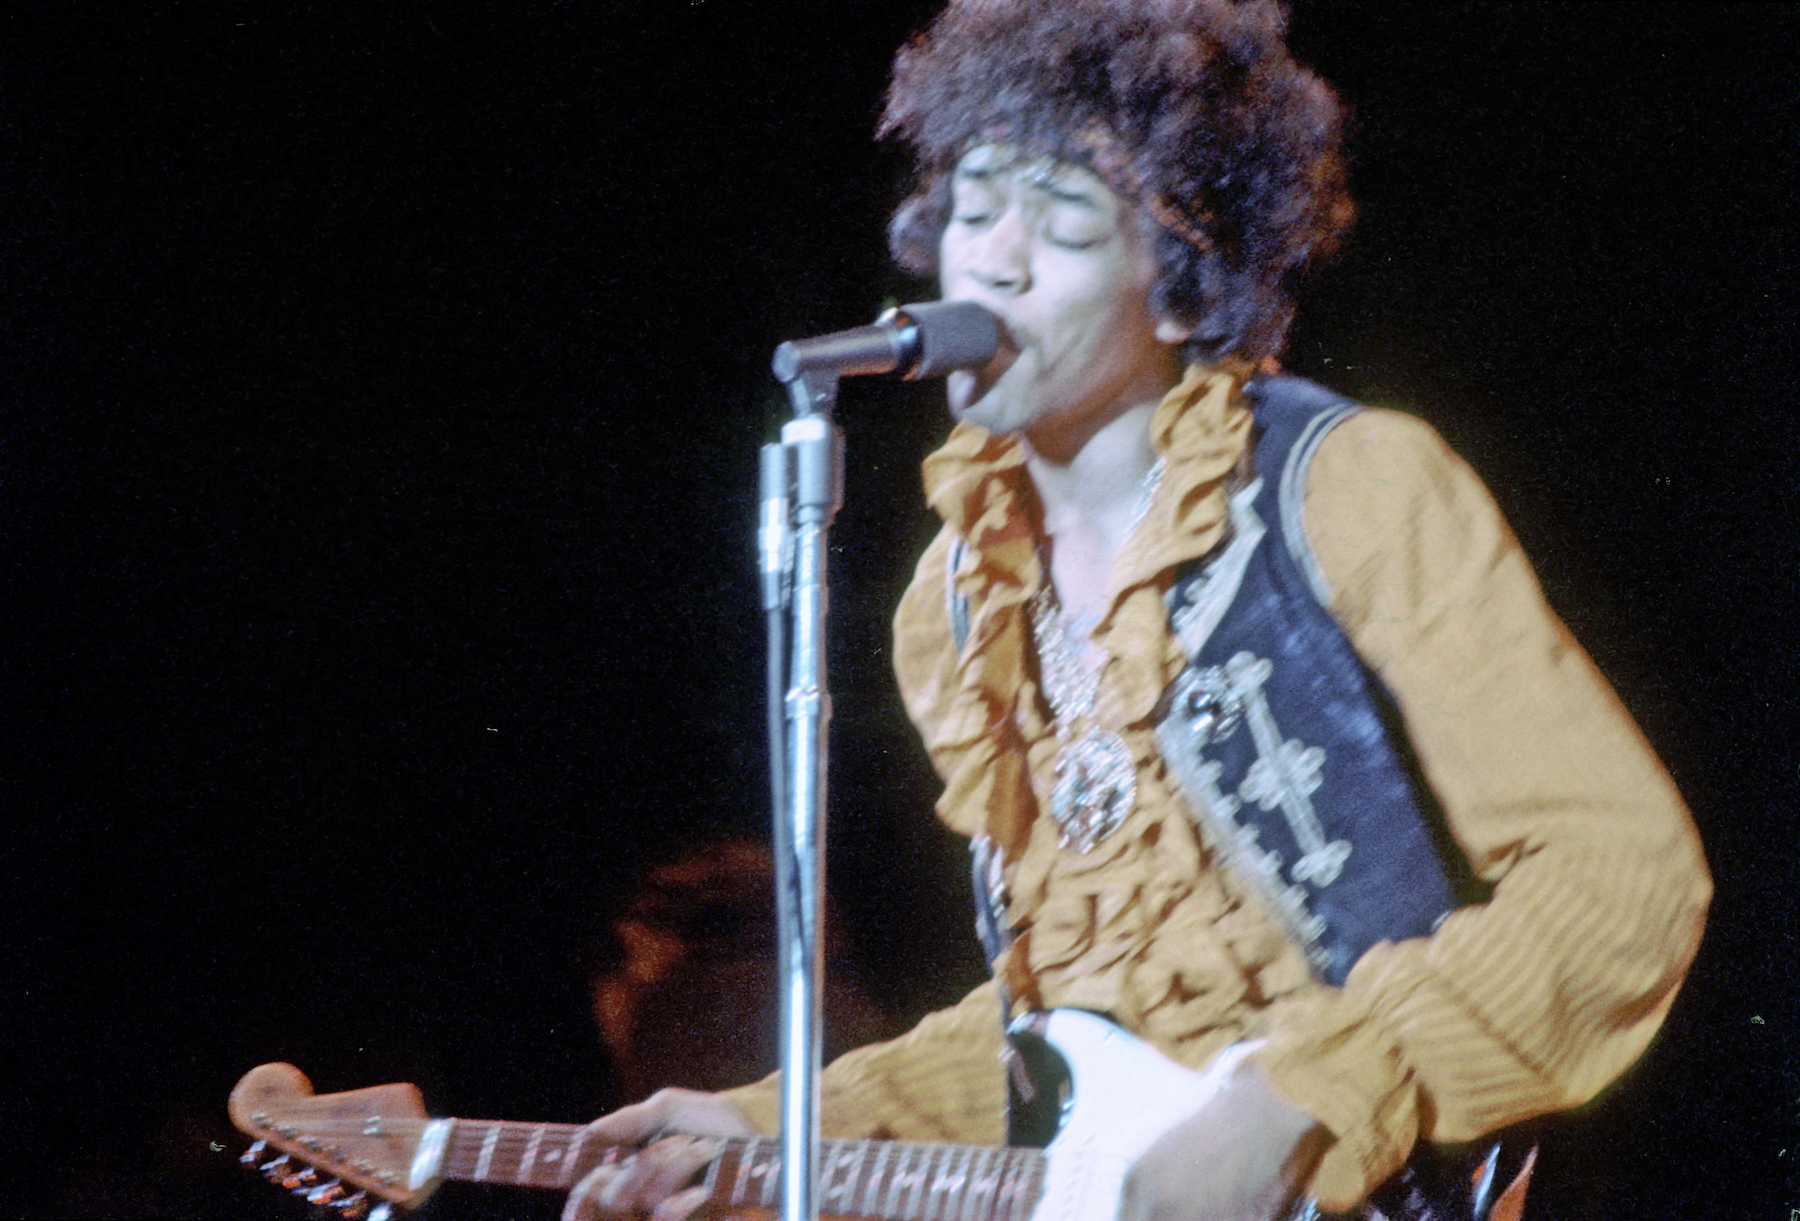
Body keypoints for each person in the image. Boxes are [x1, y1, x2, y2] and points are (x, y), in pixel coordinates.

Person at [563, 2, 1709, 1218]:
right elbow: (1048, 1050)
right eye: (973, 203)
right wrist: (765, 1126)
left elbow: (1621, 878)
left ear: (1176, 284)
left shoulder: (1350, 487)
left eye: (1058, 217)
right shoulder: (956, 605)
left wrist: (1305, 1094)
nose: (993, 259)